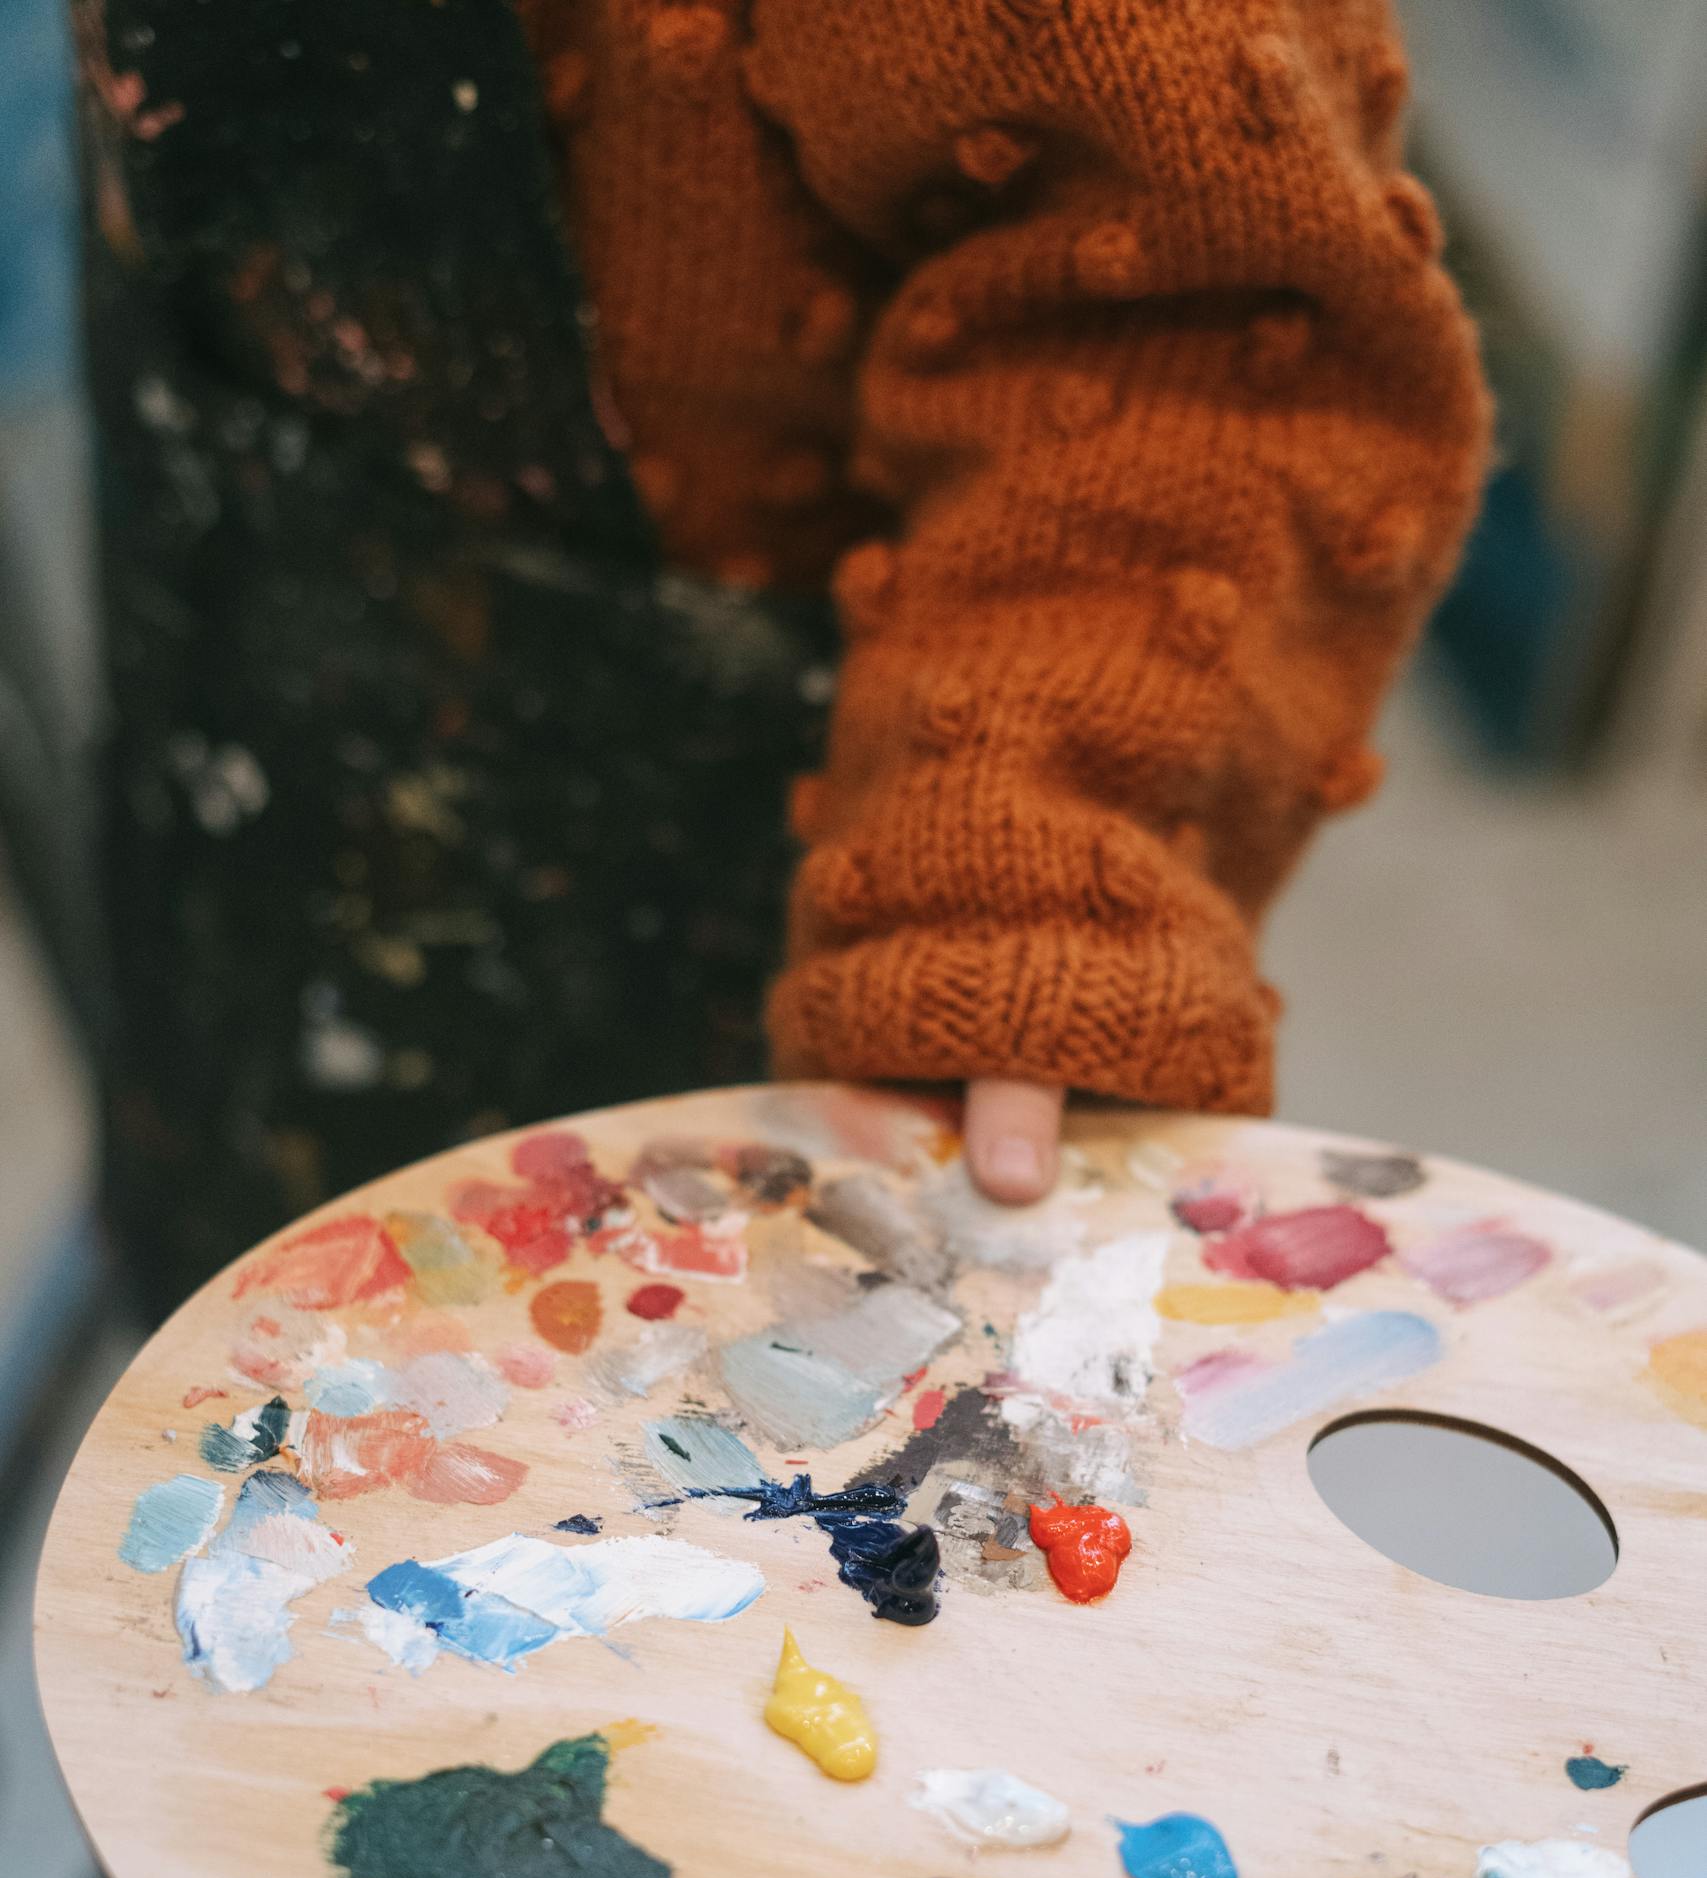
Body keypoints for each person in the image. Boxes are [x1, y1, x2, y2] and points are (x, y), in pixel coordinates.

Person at [51, 0, 1488, 1334]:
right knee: (256, 1319)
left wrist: (1027, 877)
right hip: (235, 712)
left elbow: (1205, 338)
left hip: (721, 889)